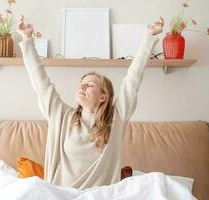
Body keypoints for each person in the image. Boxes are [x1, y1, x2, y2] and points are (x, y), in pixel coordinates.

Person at [17, 15, 164, 190]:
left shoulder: (116, 119)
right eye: (81, 84)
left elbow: (133, 80)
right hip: (62, 196)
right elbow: (40, 81)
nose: (82, 86)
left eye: (90, 84)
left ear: (103, 96)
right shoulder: (61, 115)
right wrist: (27, 39)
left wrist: (149, 38)